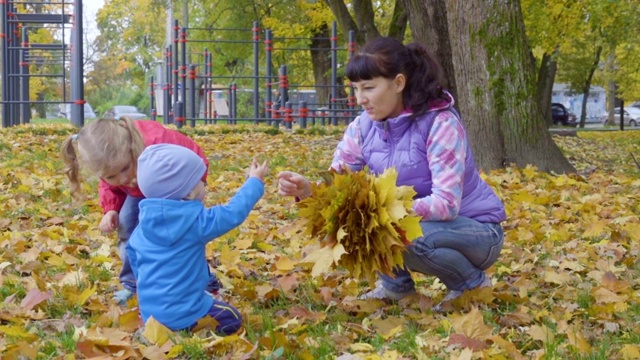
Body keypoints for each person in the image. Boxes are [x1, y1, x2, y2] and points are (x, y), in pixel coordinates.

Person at [276, 37, 506, 312]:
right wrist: (307, 190)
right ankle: (395, 288)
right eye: (356, 89)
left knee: (399, 234)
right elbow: (340, 187)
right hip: (417, 224)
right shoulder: (363, 126)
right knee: (356, 223)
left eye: (369, 88)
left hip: (476, 231)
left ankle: (471, 284)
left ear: (398, 83)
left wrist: (383, 211)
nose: (360, 99)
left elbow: (446, 204)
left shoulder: (441, 124)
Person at [60, 117, 221, 305]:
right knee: (127, 226)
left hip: (174, 186)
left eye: (126, 167)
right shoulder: (113, 168)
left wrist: (195, 184)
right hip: (138, 190)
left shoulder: (158, 143)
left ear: (131, 149)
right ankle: (133, 281)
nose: (123, 178)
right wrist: (111, 209)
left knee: (184, 235)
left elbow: (193, 157)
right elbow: (109, 187)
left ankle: (203, 283)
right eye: (112, 175)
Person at [126, 144, 268, 334]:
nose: (205, 184)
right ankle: (191, 324)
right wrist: (254, 182)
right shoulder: (197, 223)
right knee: (233, 317)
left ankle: (161, 329)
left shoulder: (140, 230)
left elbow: (135, 262)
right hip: (189, 313)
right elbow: (233, 212)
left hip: (152, 317)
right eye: (201, 181)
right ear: (190, 193)